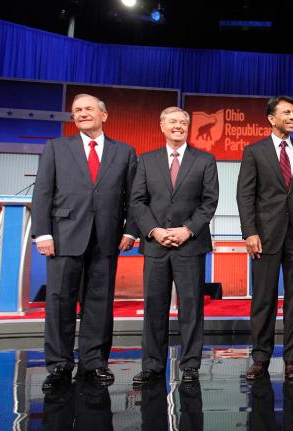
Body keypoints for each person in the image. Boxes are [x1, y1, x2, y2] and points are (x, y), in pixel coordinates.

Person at [32, 93, 137, 391]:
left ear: (104, 115)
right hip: (63, 237)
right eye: (77, 110)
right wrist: (43, 233)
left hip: (106, 238)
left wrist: (131, 231)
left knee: (100, 304)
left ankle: (94, 362)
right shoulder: (56, 147)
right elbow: (42, 193)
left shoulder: (125, 152)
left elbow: (134, 197)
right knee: (59, 302)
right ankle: (59, 364)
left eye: (88, 109)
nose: (82, 113)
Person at [130, 107, 219, 386]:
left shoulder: (205, 160)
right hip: (155, 246)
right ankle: (152, 365)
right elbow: (137, 202)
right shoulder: (145, 161)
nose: (178, 126)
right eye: (172, 122)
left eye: (182, 122)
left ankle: (190, 365)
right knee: (154, 307)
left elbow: (209, 202)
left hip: (190, 245)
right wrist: (154, 231)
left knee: (191, 308)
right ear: (162, 126)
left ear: (188, 127)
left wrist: (187, 230)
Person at [236, 95, 293, 381]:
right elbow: (245, 195)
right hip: (265, 237)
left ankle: (292, 359)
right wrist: (249, 232)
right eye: (287, 112)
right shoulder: (254, 151)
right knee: (263, 300)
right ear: (271, 118)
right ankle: (260, 358)